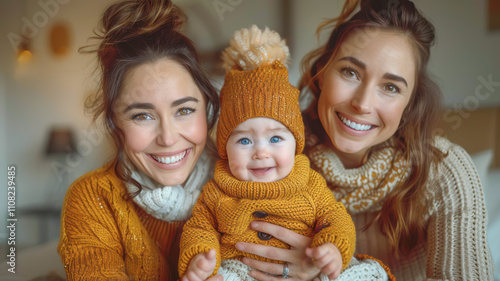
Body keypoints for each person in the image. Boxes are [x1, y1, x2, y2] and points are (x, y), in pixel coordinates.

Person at [231, 0, 494, 280]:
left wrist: (327, 274)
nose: (363, 104)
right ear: (322, 73)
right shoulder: (267, 158)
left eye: (390, 87)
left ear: (410, 102)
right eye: (350, 72)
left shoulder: (445, 171)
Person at [178, 25, 395, 281]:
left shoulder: (309, 184)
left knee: (371, 274)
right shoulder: (216, 192)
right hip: (240, 269)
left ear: (296, 144)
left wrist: (332, 248)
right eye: (244, 140)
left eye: (276, 138)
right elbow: (199, 228)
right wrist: (199, 258)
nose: (261, 152)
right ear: (225, 148)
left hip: (310, 270)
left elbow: (335, 218)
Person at [57, 0, 221, 280]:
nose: (168, 138)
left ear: (206, 108)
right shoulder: (93, 198)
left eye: (184, 110)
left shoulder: (246, 181)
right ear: (114, 121)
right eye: (143, 116)